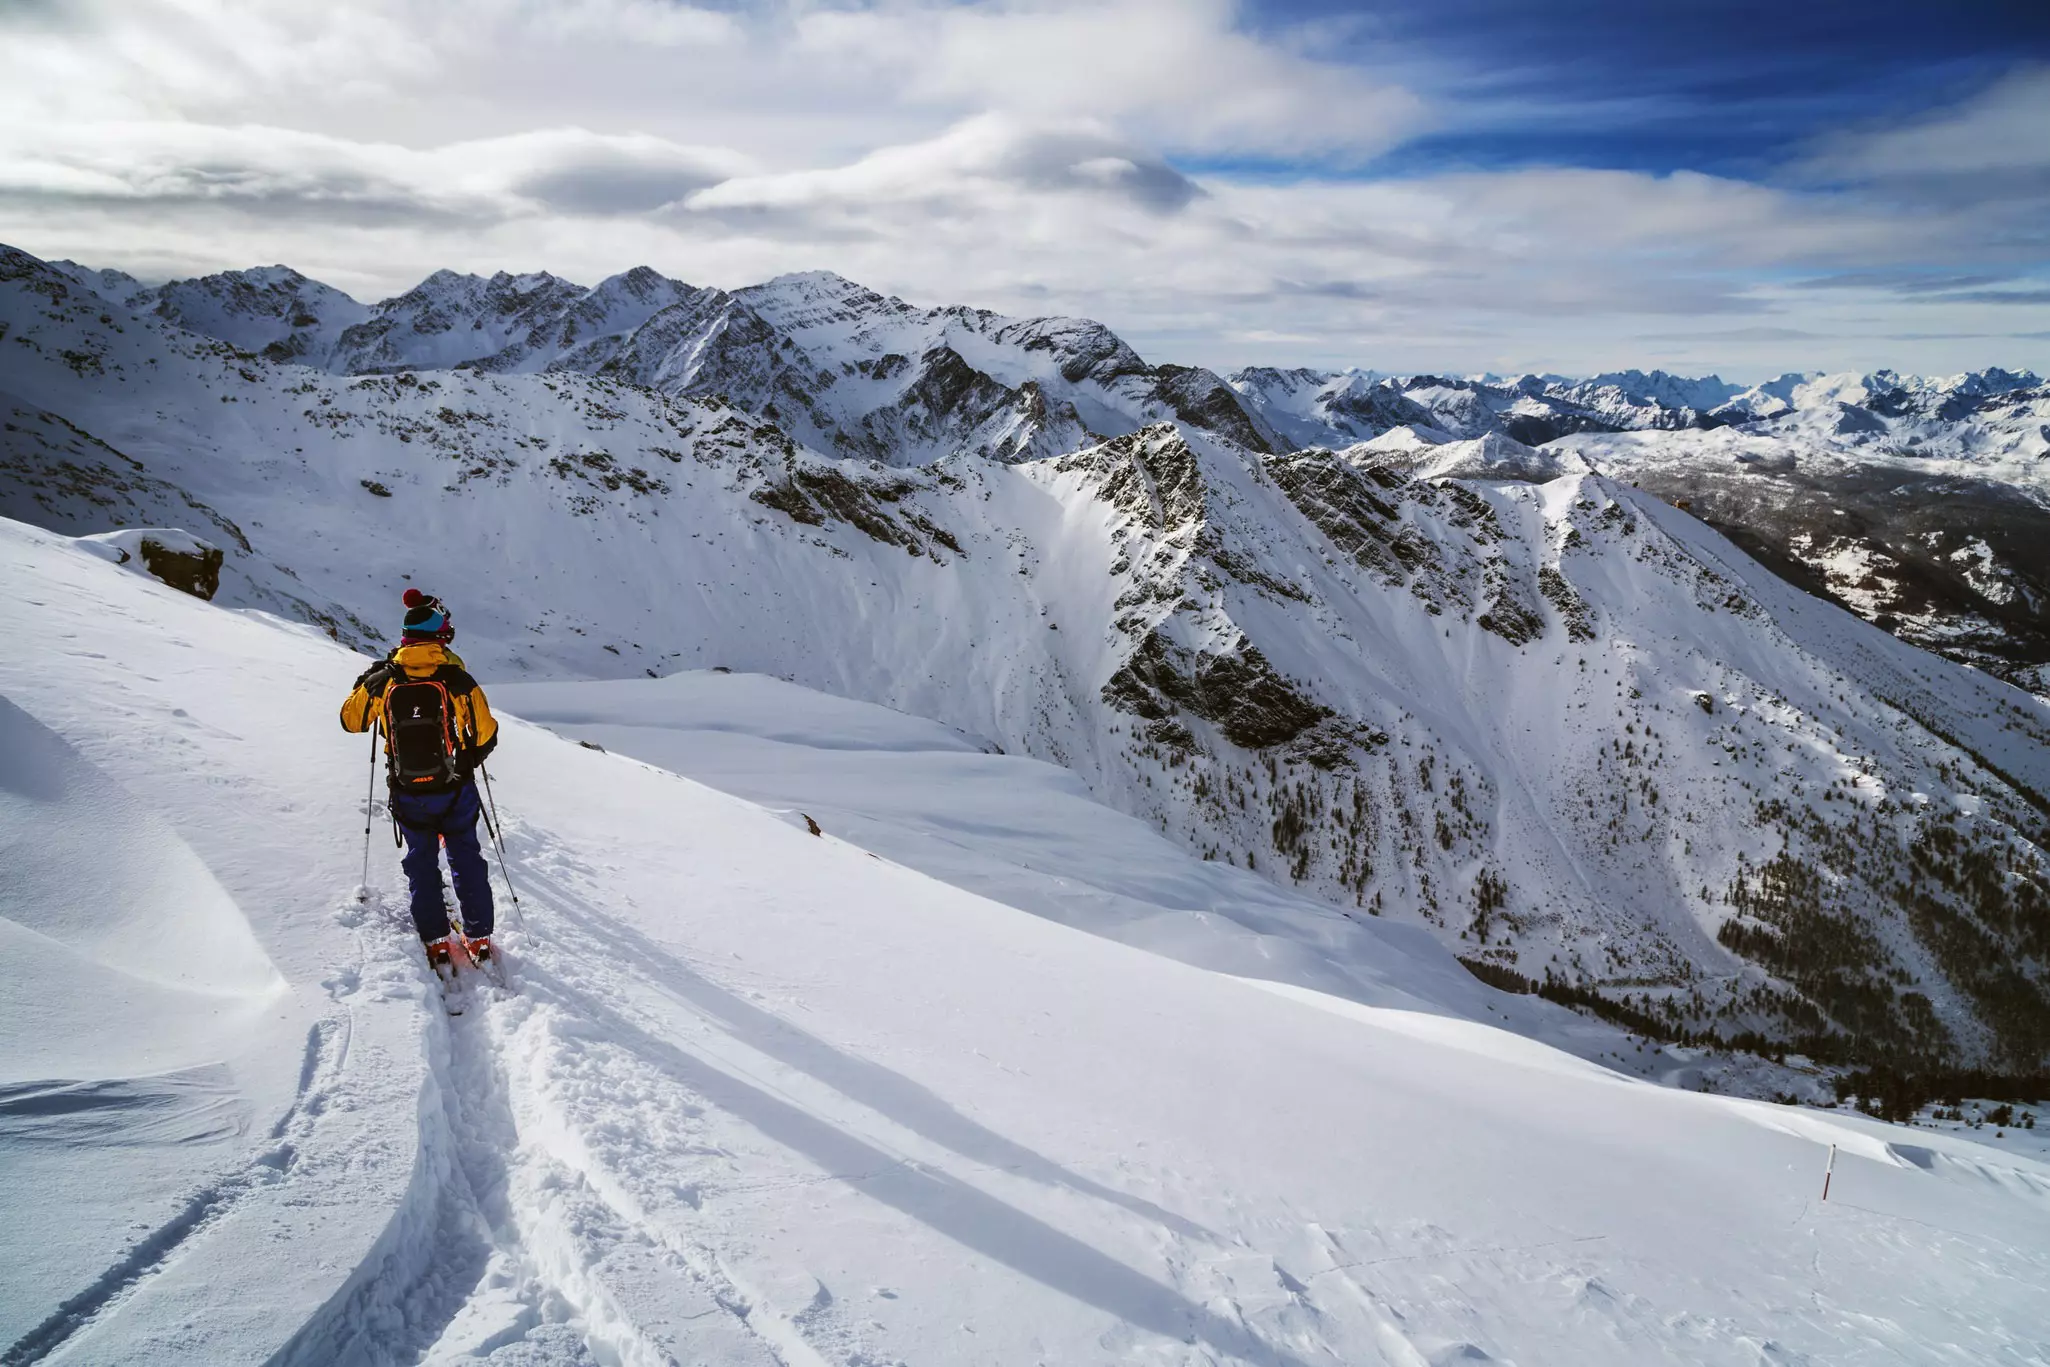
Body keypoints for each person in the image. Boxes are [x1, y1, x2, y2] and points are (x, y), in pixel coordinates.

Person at [340, 589, 499, 971]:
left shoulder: (385, 680)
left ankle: (435, 941)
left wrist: (366, 682)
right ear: (441, 636)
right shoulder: (456, 679)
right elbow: (484, 734)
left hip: (408, 791)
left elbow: (352, 721)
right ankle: (477, 937)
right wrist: (466, 762)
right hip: (454, 788)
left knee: (420, 861)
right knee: (466, 856)